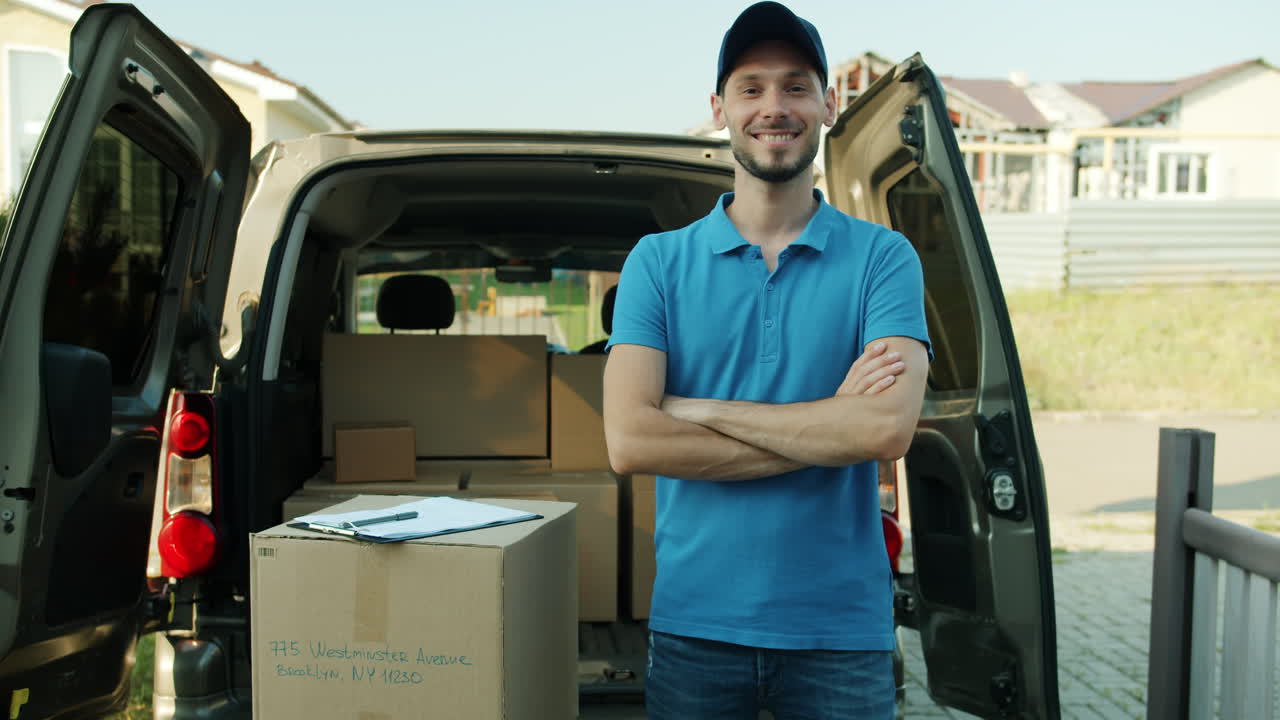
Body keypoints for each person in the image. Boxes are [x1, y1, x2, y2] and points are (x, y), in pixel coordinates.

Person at [601, 3, 932, 718]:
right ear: (719, 108)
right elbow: (630, 442)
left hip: (841, 633)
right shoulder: (657, 262)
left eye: (795, 87)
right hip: (696, 626)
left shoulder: (884, 258)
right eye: (750, 88)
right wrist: (830, 423)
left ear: (829, 106)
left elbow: (883, 431)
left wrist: (698, 410)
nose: (773, 107)